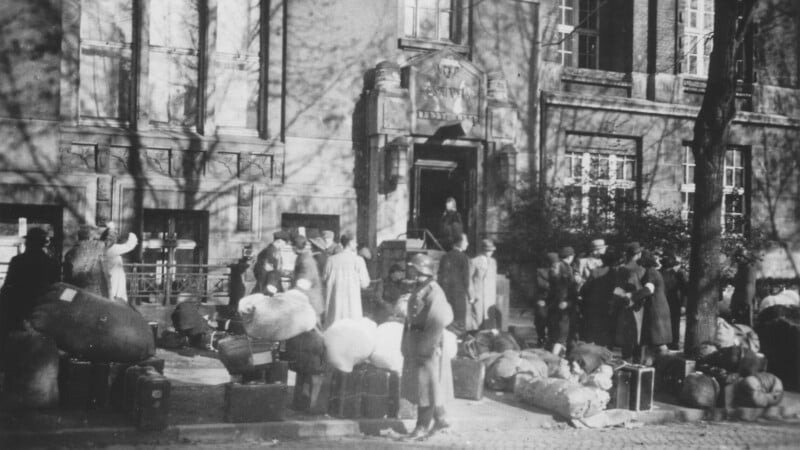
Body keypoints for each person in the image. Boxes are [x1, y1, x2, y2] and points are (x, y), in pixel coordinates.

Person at [401, 253, 454, 439]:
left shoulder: (434, 291)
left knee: (426, 387)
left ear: (423, 270)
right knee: (426, 386)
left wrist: (426, 347)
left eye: (414, 269)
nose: (411, 272)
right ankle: (440, 418)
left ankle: (422, 426)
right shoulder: (420, 288)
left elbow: (438, 320)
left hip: (428, 345)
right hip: (417, 342)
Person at [0, 228, 60, 332]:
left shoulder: (17, 261)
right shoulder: (51, 263)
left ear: (30, 242)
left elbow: (8, 286)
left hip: (18, 308)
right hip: (41, 309)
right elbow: (55, 288)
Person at [631, 250, 673, 365]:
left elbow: (649, 289)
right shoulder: (654, 272)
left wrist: (632, 297)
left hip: (655, 309)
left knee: (658, 340)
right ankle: (651, 365)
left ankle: (666, 365)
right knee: (654, 340)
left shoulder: (650, 273)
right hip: (658, 307)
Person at [322, 234, 371, 328]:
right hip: (351, 306)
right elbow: (365, 283)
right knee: (351, 330)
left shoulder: (331, 260)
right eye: (355, 242)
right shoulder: (358, 260)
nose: (356, 244)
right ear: (350, 243)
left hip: (334, 306)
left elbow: (324, 279)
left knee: (333, 332)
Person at [614, 242, 646, 362]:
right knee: (640, 336)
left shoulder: (622, 269)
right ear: (638, 254)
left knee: (627, 337)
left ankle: (626, 364)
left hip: (626, 306)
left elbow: (617, 290)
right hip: (641, 306)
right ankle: (639, 364)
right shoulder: (642, 269)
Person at [578, 250, 618, 347]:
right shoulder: (615, 273)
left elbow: (585, 288)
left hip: (592, 305)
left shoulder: (595, 271)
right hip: (608, 306)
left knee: (591, 332)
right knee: (605, 333)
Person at [437, 233, 474, 330]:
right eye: (466, 241)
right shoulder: (464, 258)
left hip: (445, 296)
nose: (467, 243)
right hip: (458, 297)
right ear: (459, 242)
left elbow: (440, 277)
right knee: (459, 324)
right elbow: (466, 279)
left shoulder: (444, 257)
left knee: (446, 323)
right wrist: (471, 297)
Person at [547, 246, 578, 356]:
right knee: (561, 336)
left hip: (554, 304)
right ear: (570, 257)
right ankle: (553, 360)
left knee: (556, 335)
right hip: (564, 305)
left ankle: (555, 357)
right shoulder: (566, 268)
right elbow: (564, 287)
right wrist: (566, 301)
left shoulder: (555, 266)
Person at [100, 225, 138, 304]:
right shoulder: (113, 249)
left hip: (110, 277)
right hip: (114, 278)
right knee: (115, 300)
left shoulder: (103, 248)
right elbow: (129, 246)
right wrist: (131, 234)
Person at [63, 225, 105, 295]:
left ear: (78, 237)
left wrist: (68, 296)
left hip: (76, 290)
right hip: (93, 291)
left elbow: (67, 277)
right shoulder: (98, 248)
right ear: (90, 238)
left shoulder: (70, 253)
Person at [292, 235, 325, 321]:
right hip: (307, 301)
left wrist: (290, 294)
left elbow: (304, 282)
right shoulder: (302, 257)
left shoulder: (305, 261)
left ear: (295, 247)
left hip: (310, 303)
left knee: (314, 331)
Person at [660, 252, 688, 350]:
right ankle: (670, 346)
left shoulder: (678, 275)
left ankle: (670, 346)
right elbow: (685, 290)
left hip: (670, 304)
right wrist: (683, 305)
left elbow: (685, 290)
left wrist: (683, 305)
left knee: (672, 326)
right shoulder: (677, 274)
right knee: (671, 326)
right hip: (669, 303)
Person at [471, 239, 498, 330]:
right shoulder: (474, 261)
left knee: (489, 322)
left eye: (491, 250)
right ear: (482, 250)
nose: (490, 252)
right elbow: (469, 279)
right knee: (477, 320)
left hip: (490, 297)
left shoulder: (493, 262)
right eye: (488, 250)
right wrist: (472, 295)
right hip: (478, 296)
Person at [729, 247, 760, 326]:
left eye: (740, 256)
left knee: (746, 323)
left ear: (746, 257)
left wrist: (747, 302)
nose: (738, 258)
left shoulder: (749, 268)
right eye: (736, 256)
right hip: (737, 300)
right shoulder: (741, 268)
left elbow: (749, 284)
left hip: (744, 301)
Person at [534, 253, 558, 346]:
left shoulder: (559, 270)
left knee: (553, 320)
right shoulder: (540, 271)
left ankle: (551, 340)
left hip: (554, 299)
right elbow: (541, 285)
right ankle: (541, 337)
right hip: (543, 299)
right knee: (541, 318)